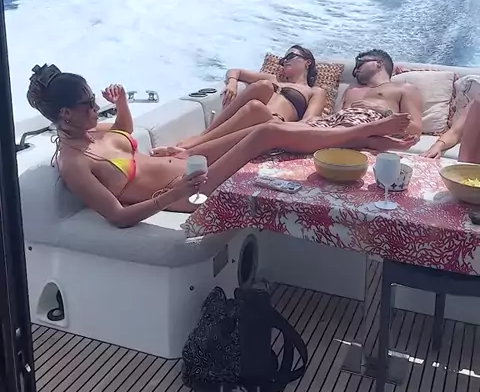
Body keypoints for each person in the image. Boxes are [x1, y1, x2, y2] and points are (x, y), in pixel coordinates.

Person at [26, 63, 412, 228]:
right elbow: (117, 216)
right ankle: (367, 131)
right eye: (88, 104)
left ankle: (362, 136)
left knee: (260, 121)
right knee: (264, 134)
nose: (97, 107)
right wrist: (172, 194)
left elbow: (123, 132)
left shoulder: (93, 131)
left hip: (191, 165)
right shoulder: (74, 163)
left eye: (95, 100)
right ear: (65, 114)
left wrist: (123, 103)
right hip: (186, 192)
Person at [178, 44, 326, 151]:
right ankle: (204, 136)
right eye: (283, 60)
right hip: (248, 117)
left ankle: (197, 144)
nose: (285, 61)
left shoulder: (314, 91)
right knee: (263, 87)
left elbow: (307, 122)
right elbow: (235, 71)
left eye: (290, 56)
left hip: (275, 124)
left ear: (307, 62)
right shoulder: (273, 79)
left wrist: (282, 129)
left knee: (256, 107)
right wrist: (232, 83)